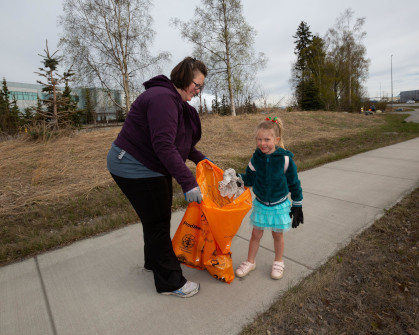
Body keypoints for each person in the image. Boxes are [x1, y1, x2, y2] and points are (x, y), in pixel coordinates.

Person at [107, 57, 208, 298]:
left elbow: (182, 145)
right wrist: (188, 181)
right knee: (158, 222)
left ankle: (154, 262)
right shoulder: (163, 99)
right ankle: (170, 282)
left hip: (148, 164)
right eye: (197, 84)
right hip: (134, 165)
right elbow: (163, 145)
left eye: (202, 86)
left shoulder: (174, 101)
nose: (199, 90)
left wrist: (205, 162)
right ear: (184, 78)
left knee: (155, 219)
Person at [235, 116, 304, 280]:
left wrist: (297, 204)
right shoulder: (255, 158)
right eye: (259, 139)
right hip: (261, 204)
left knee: (277, 235)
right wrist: (236, 178)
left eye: (267, 139)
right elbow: (249, 179)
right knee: (255, 235)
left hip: (279, 205)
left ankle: (278, 262)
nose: (262, 143)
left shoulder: (285, 159)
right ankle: (250, 261)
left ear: (277, 139)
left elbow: (294, 183)